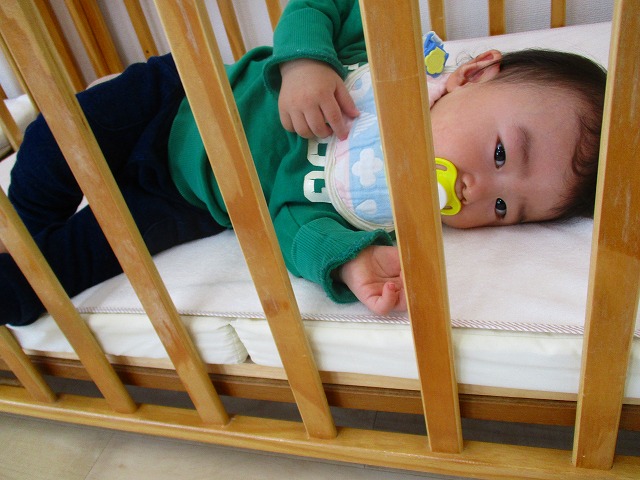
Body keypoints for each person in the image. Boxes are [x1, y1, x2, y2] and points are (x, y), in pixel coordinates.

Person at [0, 0, 606, 326]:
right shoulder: (384, 61)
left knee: (69, 267)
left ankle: (14, 286)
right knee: (57, 139)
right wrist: (305, 61)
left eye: (503, 208)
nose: (476, 189)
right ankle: (16, 225)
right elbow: (326, 3)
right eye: (501, 153)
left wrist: (348, 260)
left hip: (186, 199)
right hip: (175, 102)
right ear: (473, 74)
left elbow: (295, 226)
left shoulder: (376, 210)